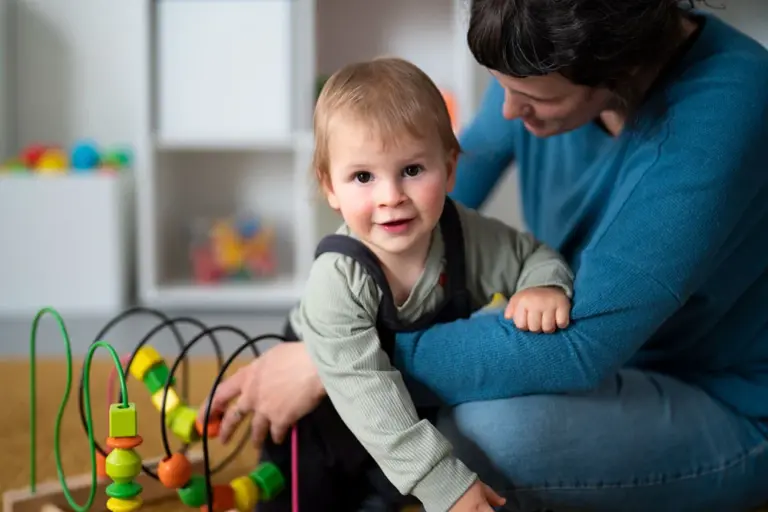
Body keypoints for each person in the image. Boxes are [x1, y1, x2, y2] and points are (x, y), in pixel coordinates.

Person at [202, 1, 768, 511]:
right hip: (600, 360)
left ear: (615, 70)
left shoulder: (729, 107)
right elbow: (439, 193)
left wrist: (336, 361)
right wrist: (337, 321)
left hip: (721, 399)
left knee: (481, 431)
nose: (505, 111)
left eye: (532, 98)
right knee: (433, 404)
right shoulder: (540, 65)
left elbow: (580, 349)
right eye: (501, 86)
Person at [205, 56, 575, 512]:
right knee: (304, 494)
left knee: (384, 493)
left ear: (450, 168)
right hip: (324, 411)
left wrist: (543, 286)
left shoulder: (466, 236)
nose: (390, 197)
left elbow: (532, 257)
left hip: (410, 409)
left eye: (413, 170)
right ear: (331, 188)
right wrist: (446, 484)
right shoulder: (338, 277)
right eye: (363, 177)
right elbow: (368, 394)